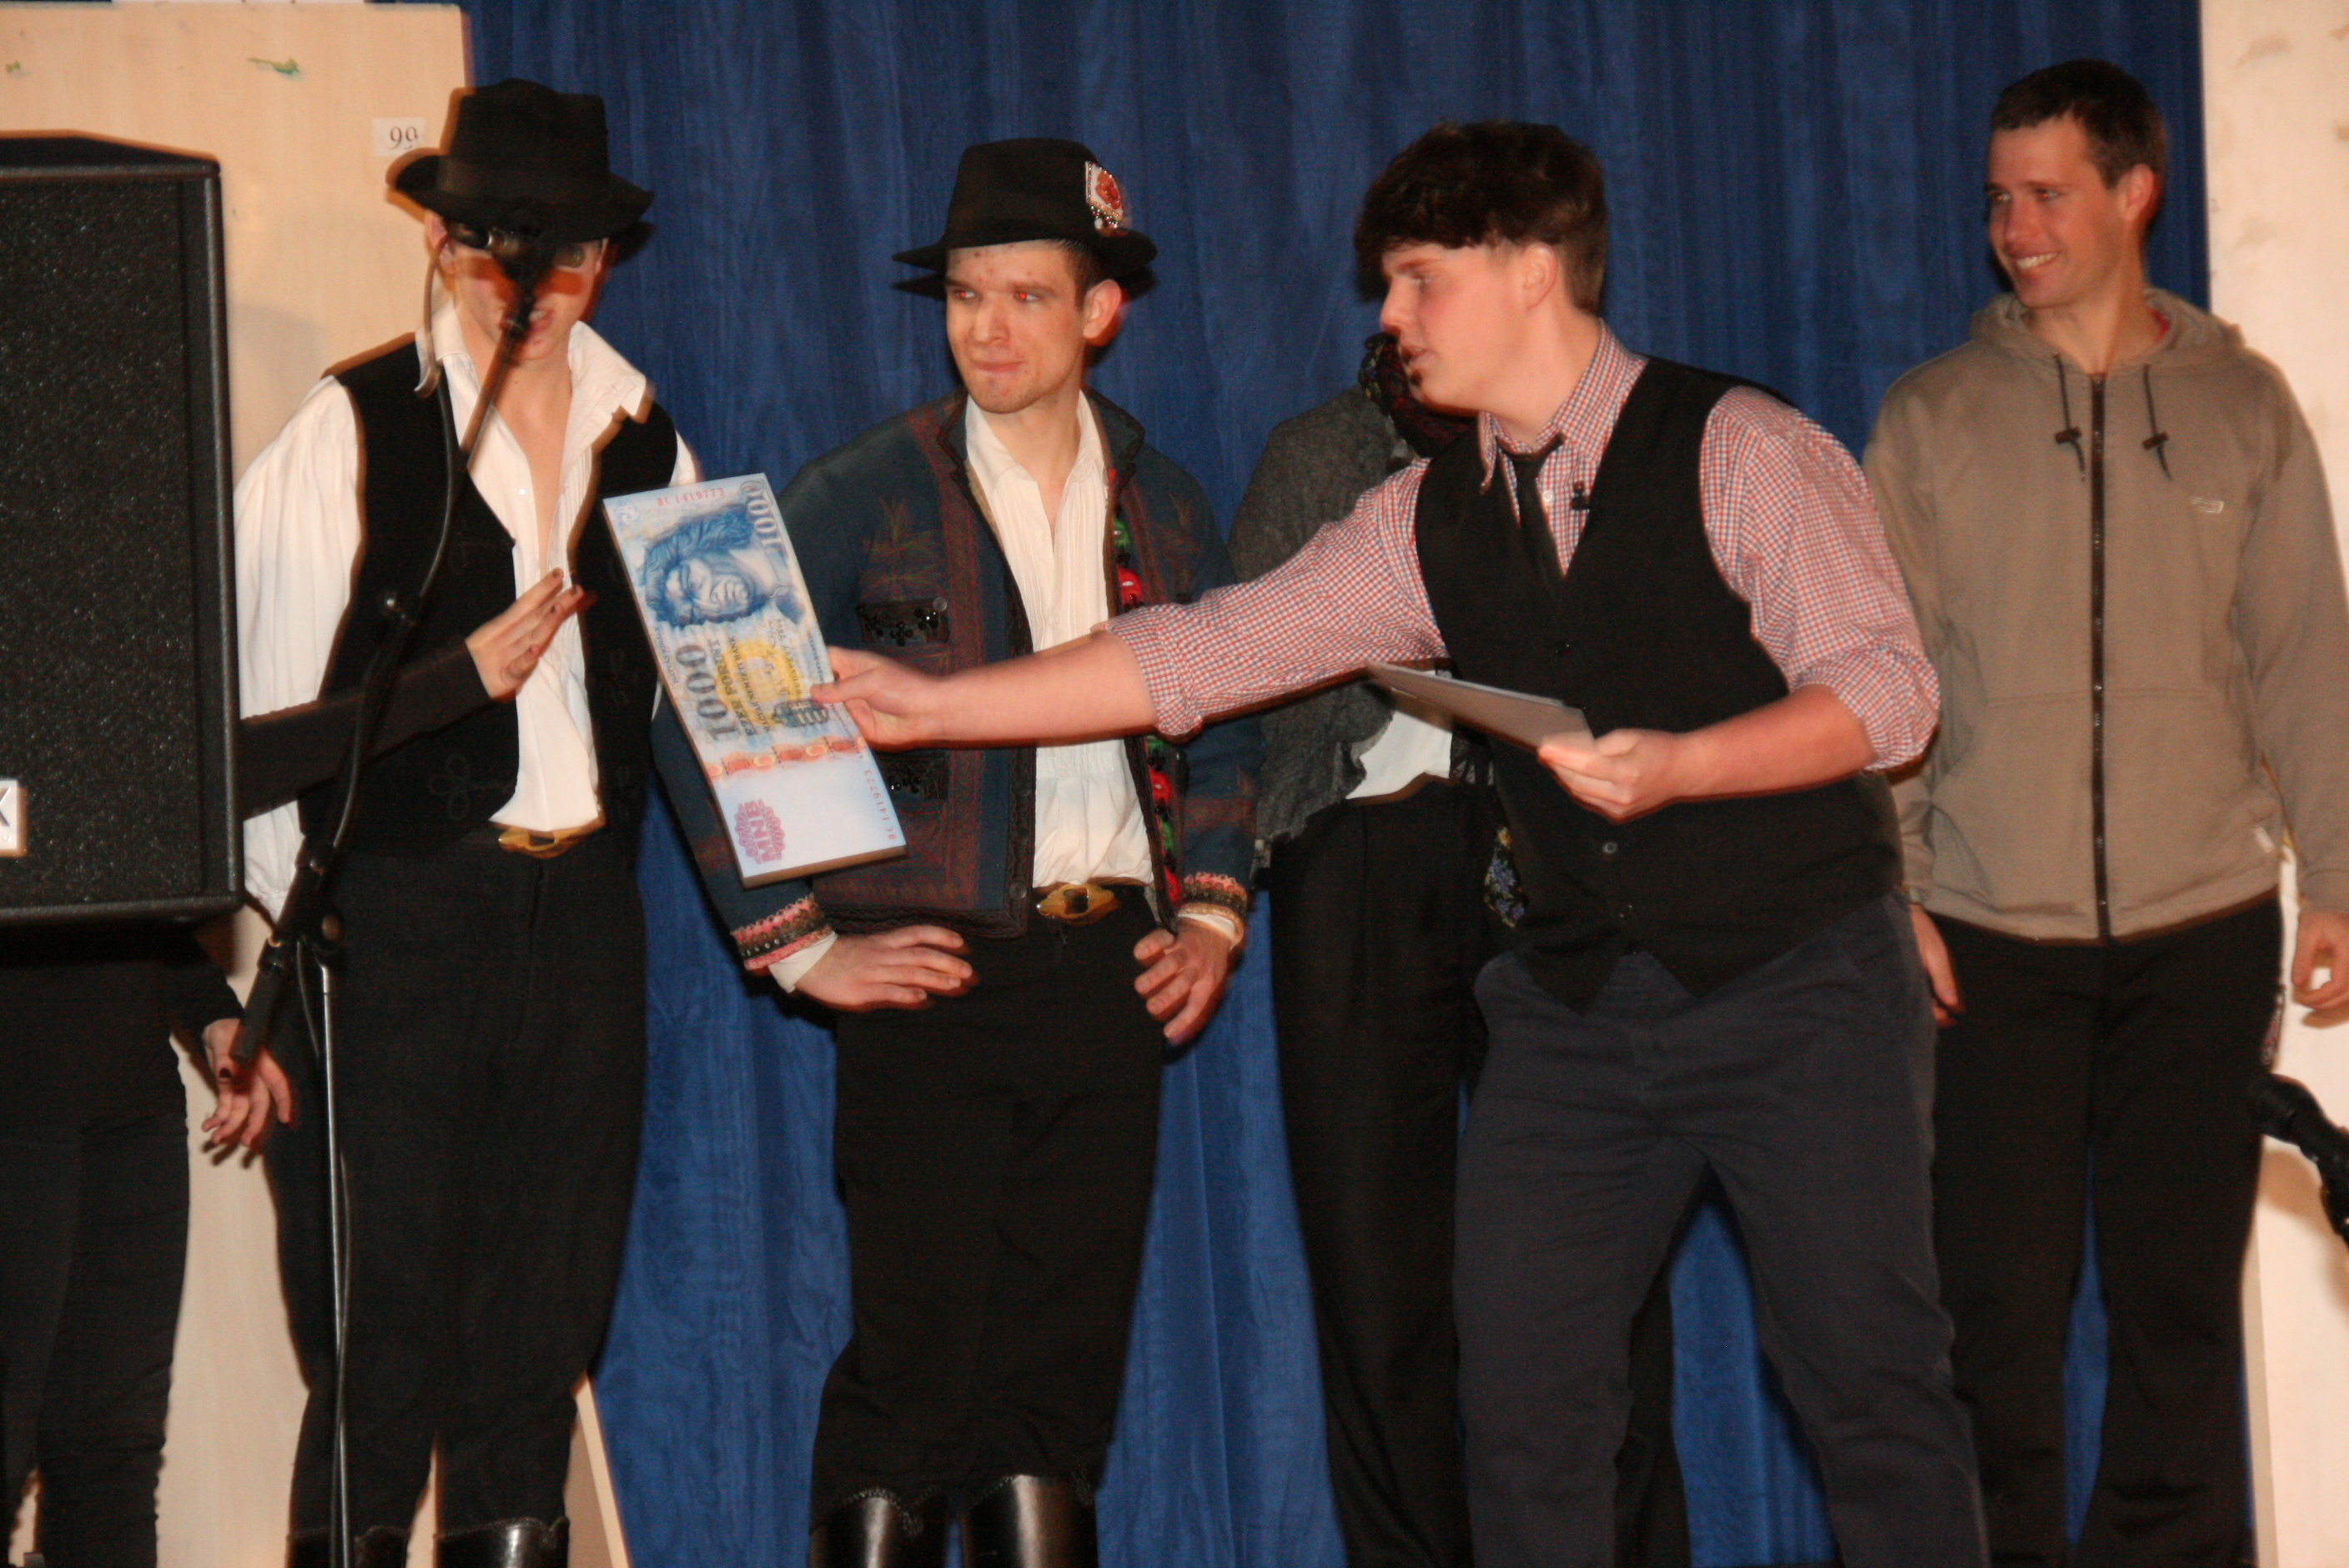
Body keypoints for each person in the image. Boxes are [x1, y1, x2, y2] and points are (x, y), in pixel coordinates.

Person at [817, 121, 1989, 1568]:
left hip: (1798, 983)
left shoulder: (1741, 449)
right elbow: (1200, 651)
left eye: (1421, 280)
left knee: (1870, 1389)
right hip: (1575, 1009)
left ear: (1532, 271)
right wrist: (938, 702)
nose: (1388, 315)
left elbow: (1888, 691)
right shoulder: (1422, 520)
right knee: (1522, 1410)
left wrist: (1690, 765)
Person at [654, 137, 1258, 1568]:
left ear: (1099, 312)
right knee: (914, 1366)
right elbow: (704, 695)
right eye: (967, 295)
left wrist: (1213, 912)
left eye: (1026, 296)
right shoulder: (867, 486)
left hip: (1109, 976)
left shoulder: (1169, 505)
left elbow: (1228, 719)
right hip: (934, 975)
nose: (986, 327)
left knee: (1059, 1381)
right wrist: (799, 944)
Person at [1863, 59, 2349, 1568]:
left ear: (2135, 194)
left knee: (2179, 1323)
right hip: (1984, 939)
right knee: (1990, 1328)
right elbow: (1876, 682)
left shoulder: (2244, 409)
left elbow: (2305, 659)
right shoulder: (1932, 418)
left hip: (2203, 928)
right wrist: (1894, 893)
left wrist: (2336, 878)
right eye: (1998, 200)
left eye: (2048, 195)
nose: (2015, 228)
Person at [235, 79, 695, 1568]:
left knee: (538, 1343)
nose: (532, 283)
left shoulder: (651, 443)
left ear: (603, 260)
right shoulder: (352, 430)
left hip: (584, 926)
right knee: (383, 1348)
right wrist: (300, 971)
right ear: (441, 242)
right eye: (501, 243)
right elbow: (256, 743)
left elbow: (713, 722)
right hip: (403, 929)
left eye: (565, 251)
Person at [1230, 333, 1688, 1568]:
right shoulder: (1319, 454)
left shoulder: (1596, 452)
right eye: (1403, 285)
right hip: (1362, 848)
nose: (1417, 315)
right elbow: (1245, 671)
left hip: (1556, 856)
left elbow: (1665, 660)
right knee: (1375, 1266)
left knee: (1595, 1254)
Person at [0, 930, 254, 1568]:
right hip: (13, 1102)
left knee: (111, 1452)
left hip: (133, 1110)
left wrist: (211, 1010)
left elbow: (140, 889)